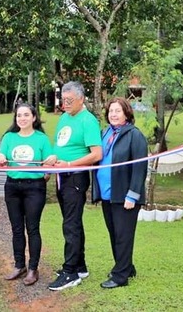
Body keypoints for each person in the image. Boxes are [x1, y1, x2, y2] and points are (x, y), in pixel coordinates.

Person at [48, 81, 102, 291]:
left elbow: (97, 154)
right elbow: (61, 146)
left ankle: (70, 272)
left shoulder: (88, 121)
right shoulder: (64, 118)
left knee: (70, 225)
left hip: (75, 178)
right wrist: (54, 158)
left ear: (81, 99)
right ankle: (80, 266)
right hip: (61, 176)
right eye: (63, 100)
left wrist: (70, 163)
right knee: (72, 222)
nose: (65, 103)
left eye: (70, 100)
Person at [0, 103, 56, 286]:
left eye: (26, 115)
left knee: (33, 228)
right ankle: (19, 265)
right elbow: (1, 157)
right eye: (19, 115)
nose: (22, 118)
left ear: (34, 118)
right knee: (16, 228)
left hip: (34, 188)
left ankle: (33, 269)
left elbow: (48, 166)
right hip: (12, 187)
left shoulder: (42, 139)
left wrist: (50, 162)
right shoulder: (9, 137)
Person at [92, 97, 148, 289]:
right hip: (108, 195)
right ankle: (126, 267)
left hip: (125, 197)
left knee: (123, 236)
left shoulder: (135, 135)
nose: (113, 114)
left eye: (117, 111)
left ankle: (120, 276)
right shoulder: (105, 133)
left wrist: (132, 195)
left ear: (126, 113)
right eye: (110, 111)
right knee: (115, 235)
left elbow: (140, 167)